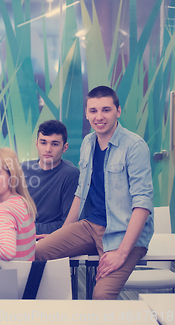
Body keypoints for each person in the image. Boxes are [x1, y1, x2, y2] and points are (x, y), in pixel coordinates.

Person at [35, 86, 154, 300]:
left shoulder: (135, 146)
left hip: (123, 233)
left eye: (106, 110)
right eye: (93, 111)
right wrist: (61, 233)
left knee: (101, 296)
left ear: (118, 111)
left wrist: (121, 253)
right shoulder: (88, 143)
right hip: (90, 226)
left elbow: (142, 205)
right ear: (87, 113)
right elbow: (80, 194)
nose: (99, 117)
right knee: (36, 252)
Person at [21, 120, 79, 239]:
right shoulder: (22, 169)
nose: (48, 149)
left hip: (51, 239)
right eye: (43, 143)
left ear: (65, 147)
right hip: (18, 236)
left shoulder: (70, 174)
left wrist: (26, 228)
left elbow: (68, 223)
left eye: (55, 144)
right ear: (36, 144)